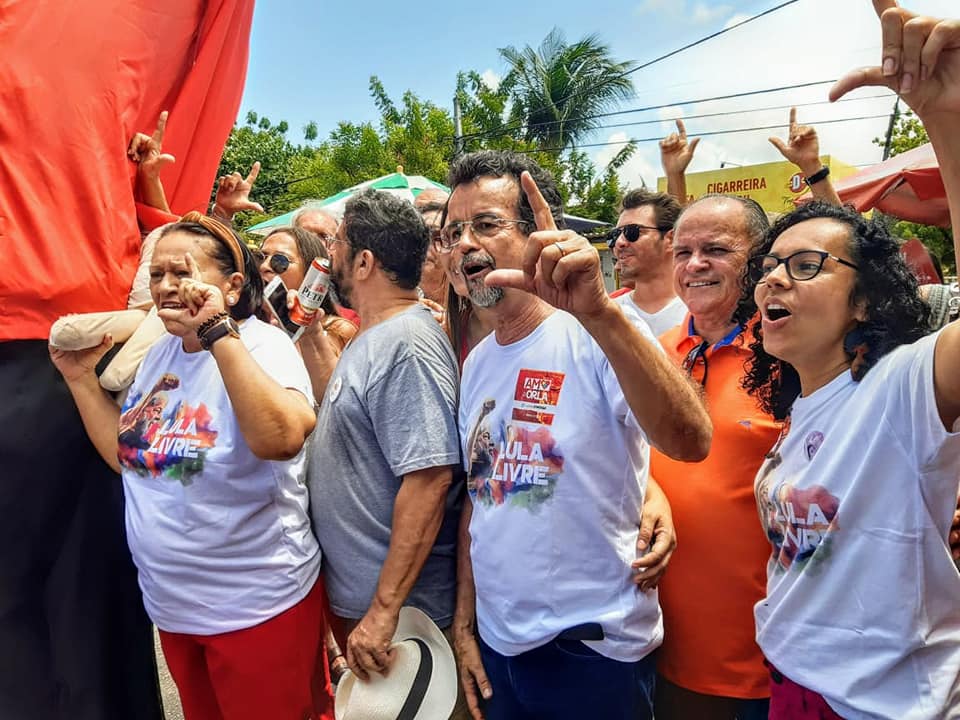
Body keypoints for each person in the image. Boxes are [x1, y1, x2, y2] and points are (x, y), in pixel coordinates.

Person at [740, 8, 960, 715]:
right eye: (768, 266)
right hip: (791, 684)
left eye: (804, 266)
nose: (772, 279)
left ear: (865, 300)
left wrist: (945, 119)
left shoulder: (898, 389)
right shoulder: (803, 401)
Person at [446, 150, 712, 720]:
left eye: (486, 225)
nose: (465, 243)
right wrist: (466, 624)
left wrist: (602, 315)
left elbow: (690, 442)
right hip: (500, 649)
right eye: (453, 231)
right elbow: (481, 498)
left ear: (538, 235)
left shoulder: (598, 329)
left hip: (591, 651)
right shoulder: (476, 364)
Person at [50, 212, 333, 720]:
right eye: (157, 275)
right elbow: (131, 458)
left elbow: (283, 438)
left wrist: (217, 333)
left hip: (258, 609)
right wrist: (79, 381)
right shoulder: (159, 355)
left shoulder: (262, 345)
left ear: (232, 285)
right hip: (176, 611)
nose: (166, 287)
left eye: (182, 273)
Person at [305, 190, 463, 688]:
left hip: (406, 620)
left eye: (338, 243)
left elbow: (429, 481)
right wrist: (309, 332)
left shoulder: (407, 345)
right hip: (374, 607)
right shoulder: (378, 336)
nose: (329, 255)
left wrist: (382, 610)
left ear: (365, 261)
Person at [648, 193, 778, 720]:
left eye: (716, 250)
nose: (695, 264)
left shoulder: (788, 358)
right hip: (660, 650)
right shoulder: (653, 353)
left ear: (760, 260)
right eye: (683, 251)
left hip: (767, 663)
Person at [258, 225, 357, 355]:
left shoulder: (337, 331)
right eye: (260, 257)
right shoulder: (242, 322)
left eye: (280, 261)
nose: (264, 266)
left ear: (311, 275)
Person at [608, 189, 688, 335]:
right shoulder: (607, 314)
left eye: (632, 232)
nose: (619, 243)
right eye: (615, 235)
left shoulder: (700, 315)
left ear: (671, 239)